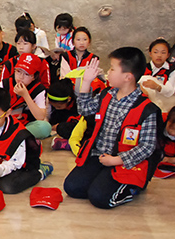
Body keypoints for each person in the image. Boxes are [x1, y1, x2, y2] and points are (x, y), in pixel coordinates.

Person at [64, 48, 161, 209]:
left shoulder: (147, 109)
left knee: (99, 198)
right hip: (100, 156)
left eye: (112, 69)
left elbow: (147, 146)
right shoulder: (107, 94)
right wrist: (86, 82)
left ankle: (131, 188)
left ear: (127, 77)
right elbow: (84, 110)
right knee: (72, 187)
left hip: (124, 162)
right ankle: (103, 181)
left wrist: (117, 160)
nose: (108, 72)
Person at [1, 53, 52, 139]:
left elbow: (40, 117)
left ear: (34, 77)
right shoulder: (5, 83)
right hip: (4, 122)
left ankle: (13, 136)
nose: (21, 77)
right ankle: (15, 136)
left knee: (45, 127)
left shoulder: (39, 89)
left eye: (26, 74)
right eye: (18, 71)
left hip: (25, 125)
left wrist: (26, 95)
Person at [139, 38, 175, 112]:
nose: (159, 55)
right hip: (143, 102)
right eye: (156, 52)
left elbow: (170, 91)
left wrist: (157, 87)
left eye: (163, 53)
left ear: (168, 55)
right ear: (150, 53)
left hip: (163, 104)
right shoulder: (142, 68)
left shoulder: (171, 71)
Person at [47, 78, 80, 151]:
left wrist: (59, 126)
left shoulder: (79, 102)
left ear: (69, 99)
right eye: (54, 106)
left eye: (59, 106)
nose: (56, 108)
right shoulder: (59, 107)